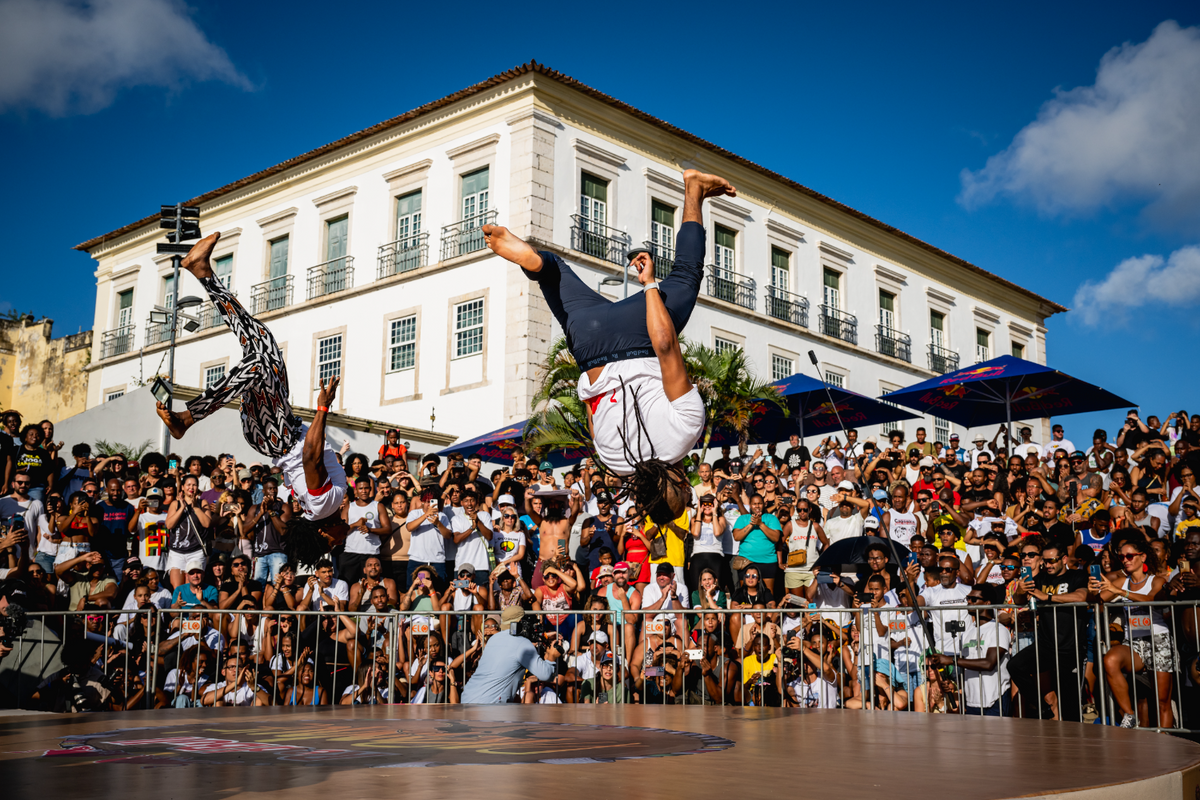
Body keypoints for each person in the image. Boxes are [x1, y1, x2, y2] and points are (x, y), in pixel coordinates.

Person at [483, 170, 737, 523]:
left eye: (685, 490)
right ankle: (537, 262)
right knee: (555, 273)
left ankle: (694, 189)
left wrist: (649, 286)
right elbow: (591, 404)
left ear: (679, 484)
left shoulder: (684, 434)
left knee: (686, 275)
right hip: (588, 344)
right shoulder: (613, 463)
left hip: (640, 336)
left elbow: (665, 345)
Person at [154, 232, 347, 532]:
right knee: (261, 342)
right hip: (279, 429)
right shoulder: (323, 509)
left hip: (279, 437)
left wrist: (322, 409)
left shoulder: (325, 506)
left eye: (337, 540)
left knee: (258, 361)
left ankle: (186, 419)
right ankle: (202, 271)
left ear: (324, 536)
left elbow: (310, 457)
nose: (345, 536)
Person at [461, 606, 561, 703]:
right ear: (521, 623)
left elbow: (513, 648)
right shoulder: (522, 643)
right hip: (488, 705)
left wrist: (544, 637)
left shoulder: (494, 639)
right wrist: (552, 657)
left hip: (468, 697)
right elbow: (546, 675)